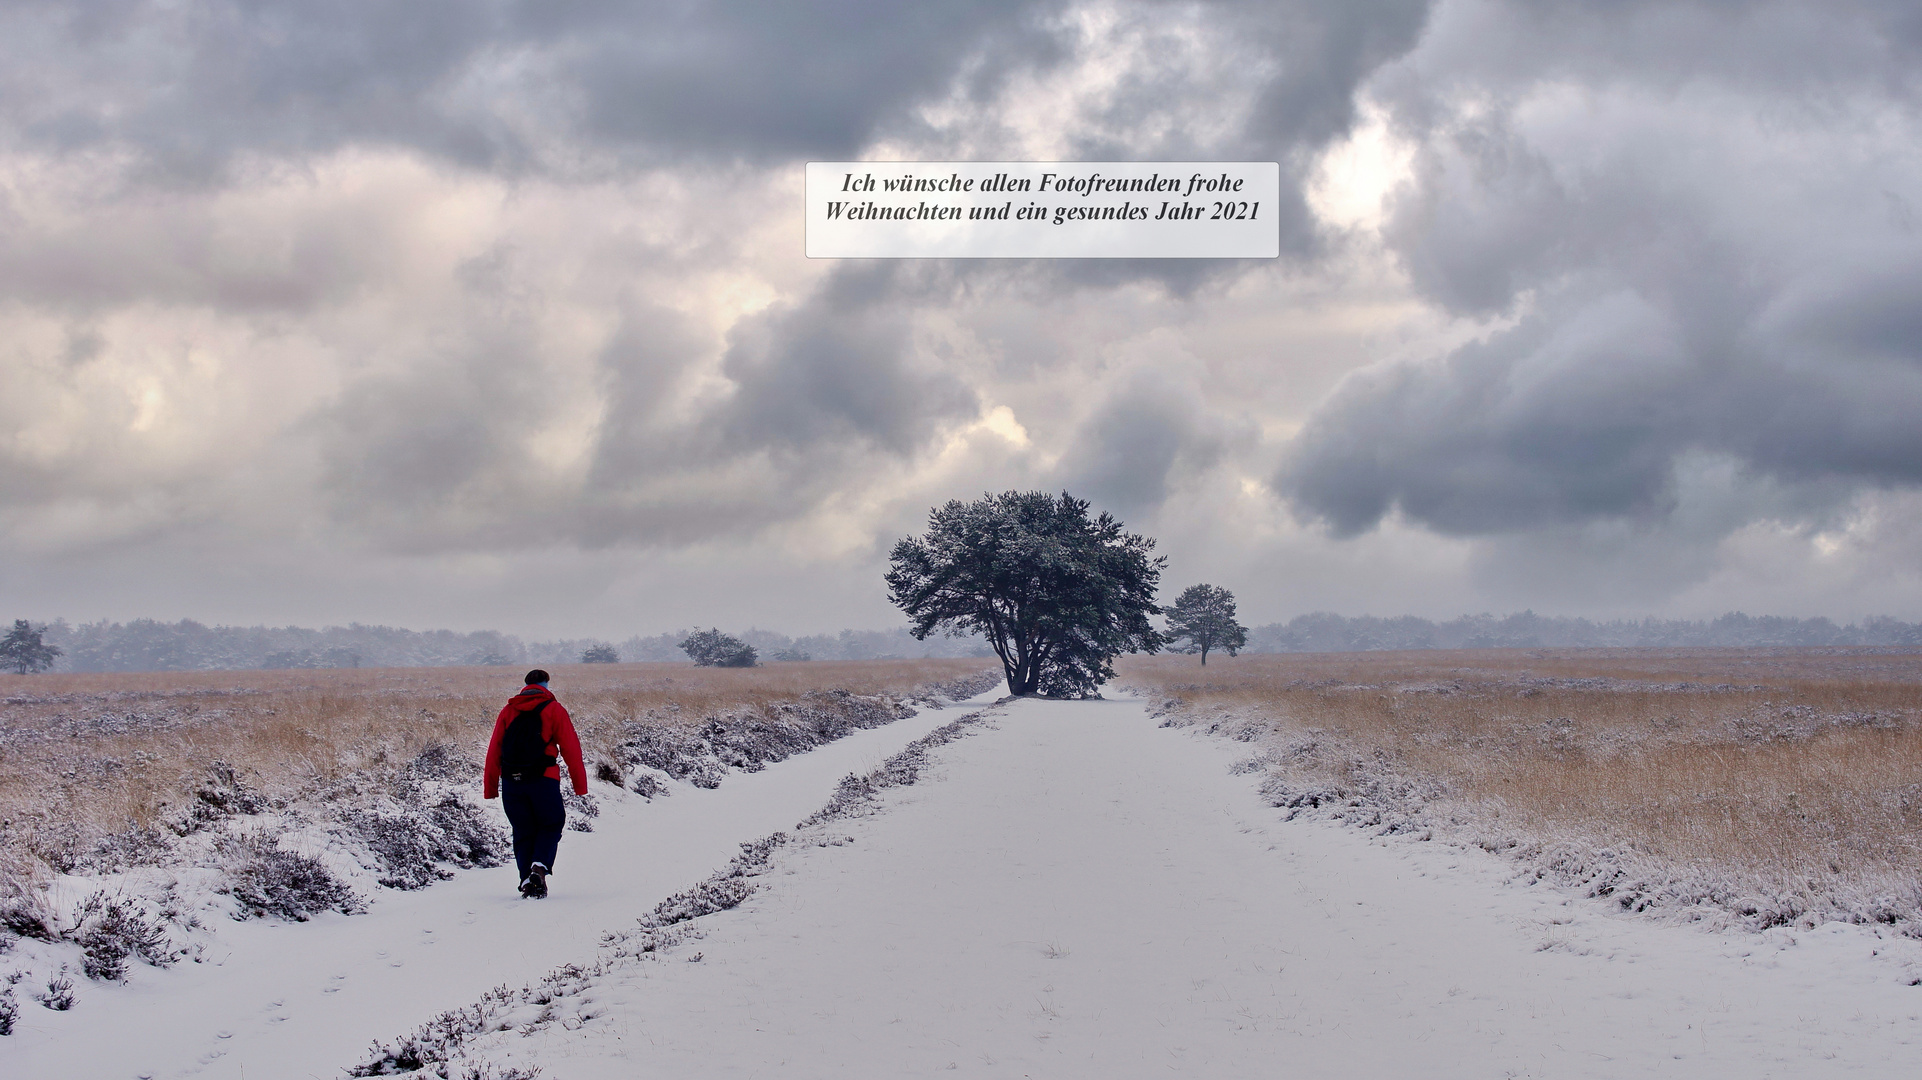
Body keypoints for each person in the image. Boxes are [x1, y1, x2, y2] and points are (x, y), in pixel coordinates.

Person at [483, 669, 588, 898]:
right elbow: (571, 749)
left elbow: (494, 752)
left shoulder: (508, 711)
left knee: (522, 830)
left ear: (525, 685)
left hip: (512, 782)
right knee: (550, 824)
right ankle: (538, 869)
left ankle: (526, 880)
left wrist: (490, 788)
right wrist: (580, 785)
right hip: (544, 779)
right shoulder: (554, 709)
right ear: (546, 684)